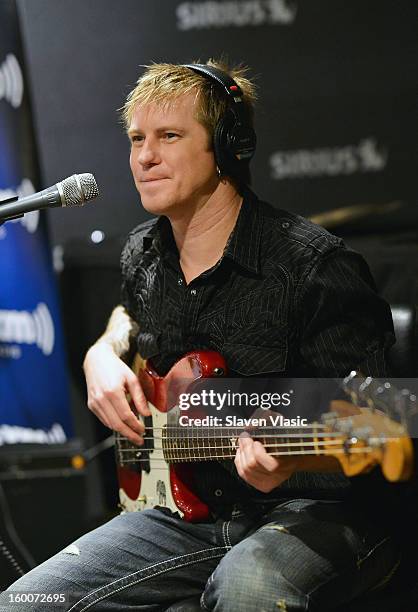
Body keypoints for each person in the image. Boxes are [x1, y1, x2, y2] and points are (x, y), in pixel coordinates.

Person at [3, 60, 401, 612]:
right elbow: (131, 315)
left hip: (324, 509)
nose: (144, 157)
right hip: (192, 512)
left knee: (248, 589)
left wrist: (294, 457)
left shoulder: (313, 267)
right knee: (26, 602)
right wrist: (102, 351)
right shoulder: (143, 252)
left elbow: (379, 423)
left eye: (169, 136)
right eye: (137, 139)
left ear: (228, 147)